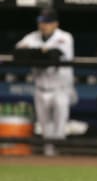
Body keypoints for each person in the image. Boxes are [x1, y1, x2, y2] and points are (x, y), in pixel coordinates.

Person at [14, 8, 75, 156]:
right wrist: (41, 52)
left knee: (59, 128)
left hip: (61, 88)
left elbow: (53, 56)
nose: (44, 25)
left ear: (55, 24)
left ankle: (59, 153)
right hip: (41, 88)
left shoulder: (65, 37)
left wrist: (33, 53)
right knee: (45, 127)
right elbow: (17, 53)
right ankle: (49, 156)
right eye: (41, 22)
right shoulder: (32, 37)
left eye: (47, 22)